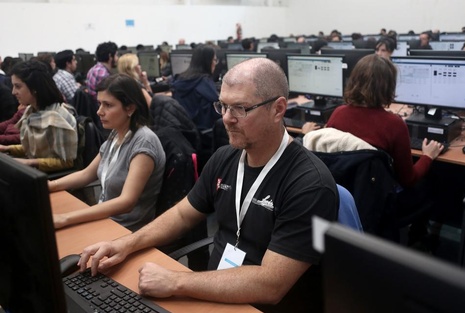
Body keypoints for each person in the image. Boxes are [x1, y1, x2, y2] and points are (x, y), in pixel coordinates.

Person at [78, 58, 338, 313]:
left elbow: (271, 284)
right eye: (223, 106)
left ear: (278, 109)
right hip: (214, 292)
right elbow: (182, 214)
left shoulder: (309, 184)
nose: (226, 118)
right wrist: (126, 244)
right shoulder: (225, 158)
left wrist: (175, 281)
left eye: (240, 108)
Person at [324, 54, 442, 243]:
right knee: (432, 183)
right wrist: (428, 156)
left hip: (341, 200)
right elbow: (408, 179)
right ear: (388, 86)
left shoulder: (338, 114)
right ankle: (420, 238)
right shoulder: (394, 124)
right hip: (377, 203)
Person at [48, 74, 165, 232]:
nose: (99, 112)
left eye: (108, 105)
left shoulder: (144, 142)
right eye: (99, 104)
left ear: (130, 108)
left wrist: (67, 218)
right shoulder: (117, 134)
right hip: (106, 220)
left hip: (125, 231)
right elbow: (85, 175)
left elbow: (126, 201)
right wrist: (49, 186)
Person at [0, 60, 78, 172]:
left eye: (18, 86)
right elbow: (34, 148)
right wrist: (7, 148)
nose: (13, 92)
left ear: (34, 88)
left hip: (52, 179)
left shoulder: (58, 119)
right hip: (36, 172)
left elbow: (66, 161)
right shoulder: (31, 111)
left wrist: (29, 162)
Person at [171, 44, 219, 131]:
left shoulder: (180, 79)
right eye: (215, 60)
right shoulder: (204, 82)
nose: (215, 63)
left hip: (186, 132)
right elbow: (217, 108)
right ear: (208, 62)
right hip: (204, 134)